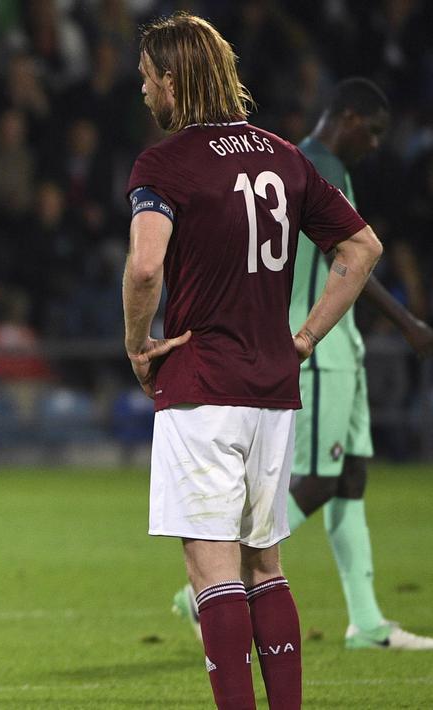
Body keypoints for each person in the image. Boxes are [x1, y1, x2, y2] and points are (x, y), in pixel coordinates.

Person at [123, 13, 382, 710]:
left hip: (202, 384)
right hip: (272, 388)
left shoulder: (164, 164)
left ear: (172, 80)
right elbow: (362, 249)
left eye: (146, 77)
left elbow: (145, 267)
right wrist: (305, 338)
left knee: (212, 573)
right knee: (264, 565)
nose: (142, 90)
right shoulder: (283, 156)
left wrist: (137, 345)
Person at [171, 79, 433, 651]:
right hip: (318, 347)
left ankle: (366, 622)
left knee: (351, 477)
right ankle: (207, 585)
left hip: (342, 345)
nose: (375, 144)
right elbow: (353, 255)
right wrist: (407, 322)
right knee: (319, 480)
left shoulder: (301, 162)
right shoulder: (313, 166)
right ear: (347, 117)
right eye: (372, 131)